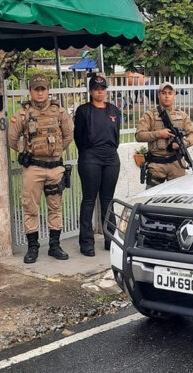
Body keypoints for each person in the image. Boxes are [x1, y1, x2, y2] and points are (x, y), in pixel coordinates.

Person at [8, 74, 73, 263]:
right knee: (30, 208)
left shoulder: (59, 112)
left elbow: (68, 135)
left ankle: (54, 246)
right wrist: (23, 150)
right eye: (36, 89)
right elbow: (12, 138)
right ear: (30, 91)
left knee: (55, 207)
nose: (40, 92)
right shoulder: (22, 114)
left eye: (43, 89)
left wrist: (55, 150)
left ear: (48, 90)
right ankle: (33, 247)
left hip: (54, 168)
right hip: (33, 168)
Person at [74, 73, 122, 256]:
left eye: (102, 89)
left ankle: (111, 240)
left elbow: (116, 136)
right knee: (89, 200)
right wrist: (88, 153)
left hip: (110, 158)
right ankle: (86, 243)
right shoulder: (83, 111)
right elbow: (78, 137)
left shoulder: (113, 110)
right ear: (91, 91)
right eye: (96, 89)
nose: (100, 92)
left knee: (108, 200)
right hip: (90, 157)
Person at [135, 81, 193, 188]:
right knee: (152, 198)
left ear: (174, 95)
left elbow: (192, 135)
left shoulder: (182, 115)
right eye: (163, 93)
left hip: (176, 163)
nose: (167, 96)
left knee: (177, 199)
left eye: (170, 93)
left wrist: (183, 143)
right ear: (159, 95)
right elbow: (139, 136)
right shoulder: (149, 115)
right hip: (156, 164)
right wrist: (159, 134)